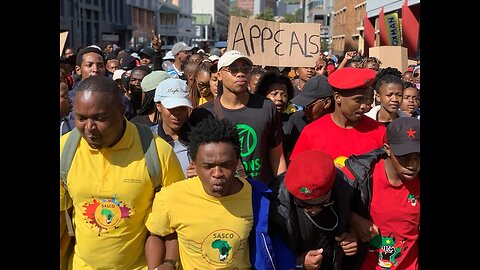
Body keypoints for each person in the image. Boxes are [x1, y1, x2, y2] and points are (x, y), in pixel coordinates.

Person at [60, 75, 185, 269]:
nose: (89, 128)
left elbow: (176, 222)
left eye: (100, 118)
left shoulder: (157, 153)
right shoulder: (64, 150)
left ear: (121, 112)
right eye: (81, 118)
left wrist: (169, 262)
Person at [145, 117, 295, 269]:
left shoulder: (258, 197)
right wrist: (165, 264)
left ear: (237, 161)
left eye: (226, 165)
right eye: (208, 166)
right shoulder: (171, 197)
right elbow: (156, 234)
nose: (217, 173)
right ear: (194, 165)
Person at [187, 50, 287, 183]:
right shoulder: (203, 114)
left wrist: (281, 191)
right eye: (233, 69)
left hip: (260, 194)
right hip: (223, 196)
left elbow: (277, 157)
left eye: (245, 68)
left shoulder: (266, 107)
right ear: (219, 75)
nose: (240, 73)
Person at [343, 117, 421, 270]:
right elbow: (327, 207)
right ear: (387, 148)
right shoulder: (360, 177)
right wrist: (352, 219)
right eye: (404, 157)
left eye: (418, 156)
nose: (413, 165)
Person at [269, 150, 359, 270]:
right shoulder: (274, 202)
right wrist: (298, 262)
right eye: (303, 205)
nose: (312, 210)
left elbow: (361, 224)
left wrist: (352, 237)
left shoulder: (345, 189)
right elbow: (267, 251)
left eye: (321, 204)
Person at [290, 67, 386, 169]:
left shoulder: (380, 132)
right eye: (358, 100)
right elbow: (298, 173)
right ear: (337, 97)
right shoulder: (311, 132)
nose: (363, 106)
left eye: (366, 99)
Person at [283, 75, 335, 162]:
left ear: (326, 103)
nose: (304, 109)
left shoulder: (341, 124)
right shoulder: (298, 120)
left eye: (307, 105)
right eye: (302, 105)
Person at [151, 78, 194, 177]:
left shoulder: (200, 137)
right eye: (171, 108)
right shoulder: (148, 139)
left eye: (182, 108)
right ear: (158, 106)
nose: (177, 113)